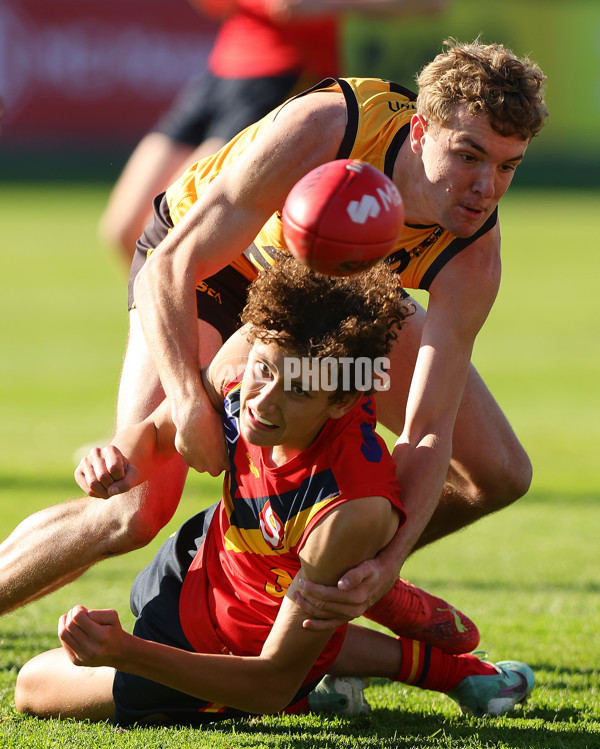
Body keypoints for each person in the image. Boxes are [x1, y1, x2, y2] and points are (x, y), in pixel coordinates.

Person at [0, 39, 547, 633]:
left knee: (498, 472)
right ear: (419, 129)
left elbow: (426, 432)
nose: (485, 188)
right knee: (137, 507)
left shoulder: (473, 255)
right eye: (469, 155)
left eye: (507, 166)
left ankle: (301, 594)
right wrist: (188, 406)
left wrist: (386, 563)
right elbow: (172, 266)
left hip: (327, 304)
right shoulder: (330, 127)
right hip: (214, 273)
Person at [14, 259, 534, 725]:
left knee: (33, 685)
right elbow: (157, 431)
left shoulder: (348, 509)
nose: (263, 401)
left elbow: (270, 683)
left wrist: (127, 654)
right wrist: (118, 457)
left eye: (298, 391)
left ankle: (400, 672)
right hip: (203, 559)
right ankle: (406, 640)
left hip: (230, 654)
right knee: (299, 599)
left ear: (341, 401)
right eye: (264, 370)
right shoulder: (260, 369)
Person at [99, 0, 448, 267]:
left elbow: (431, 4)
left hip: (285, 75)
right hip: (223, 70)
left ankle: (207, 346)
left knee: (178, 226)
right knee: (124, 229)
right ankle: (177, 329)